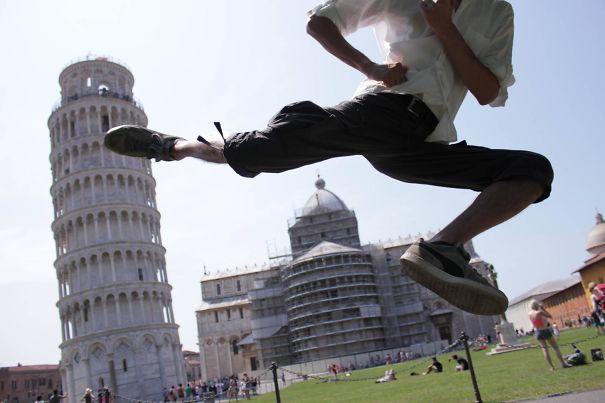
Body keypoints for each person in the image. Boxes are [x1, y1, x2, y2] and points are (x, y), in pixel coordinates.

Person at [104, 0, 552, 316]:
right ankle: (173, 145)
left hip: (424, 140)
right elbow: (320, 23)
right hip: (383, 108)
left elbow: (488, 90)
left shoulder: (497, 10)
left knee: (531, 171)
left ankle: (440, 248)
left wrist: (447, 28)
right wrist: (372, 69)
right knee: (268, 149)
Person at [528, 300, 572, 371]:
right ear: (537, 305)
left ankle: (552, 367)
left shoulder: (529, 314)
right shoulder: (539, 312)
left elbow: (533, 324)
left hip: (538, 332)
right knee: (555, 348)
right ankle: (563, 363)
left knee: (545, 350)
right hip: (545, 330)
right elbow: (549, 316)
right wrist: (543, 308)